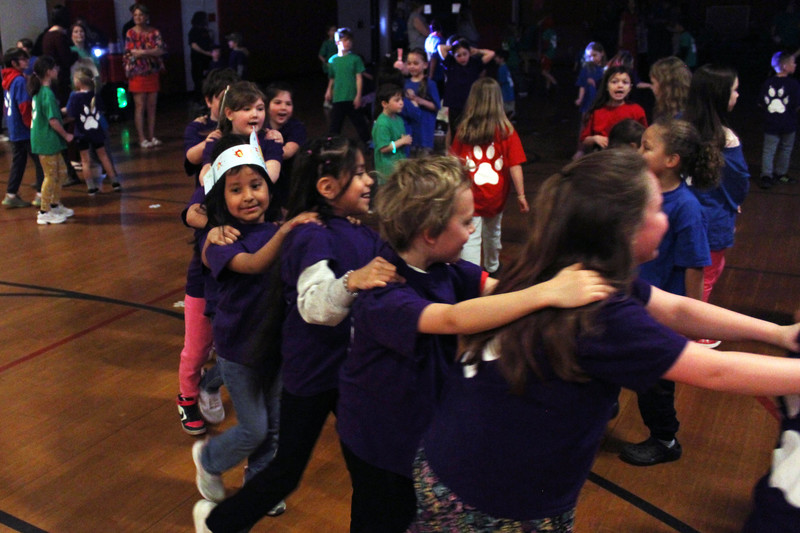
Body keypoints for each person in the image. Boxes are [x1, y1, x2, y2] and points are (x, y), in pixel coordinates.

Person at [407, 149, 800, 533]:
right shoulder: (602, 315)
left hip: (453, 461)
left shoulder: (566, 265)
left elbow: (676, 310)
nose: (665, 217)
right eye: (657, 209)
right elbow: (715, 370)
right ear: (625, 230)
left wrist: (776, 333)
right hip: (495, 497)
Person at [336, 155, 614, 532]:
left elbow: (499, 290)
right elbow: (451, 319)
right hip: (380, 443)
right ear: (430, 233)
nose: (471, 232)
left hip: (417, 428)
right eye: (466, 222)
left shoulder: (444, 268)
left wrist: (562, 286)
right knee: (383, 519)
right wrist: (549, 292)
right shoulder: (385, 293)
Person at [193, 136, 401, 533]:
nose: (369, 180)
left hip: (310, 360)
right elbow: (287, 285)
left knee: (355, 464)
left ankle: (241, 503)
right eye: (358, 173)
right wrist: (294, 230)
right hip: (271, 360)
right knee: (269, 446)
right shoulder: (251, 237)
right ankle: (216, 495)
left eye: (256, 186)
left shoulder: (316, 227)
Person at [191, 133, 320, 503]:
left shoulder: (276, 226)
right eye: (236, 189)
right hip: (238, 349)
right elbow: (252, 263)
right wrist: (288, 230)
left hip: (277, 345)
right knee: (254, 428)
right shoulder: (219, 240)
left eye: (256, 184)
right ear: (221, 197)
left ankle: (259, 486)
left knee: (274, 426)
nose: (248, 195)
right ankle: (210, 458)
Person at [619, 118, 721, 466]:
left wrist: (695, 321)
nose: (639, 151)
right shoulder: (641, 191)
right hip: (631, 300)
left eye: (648, 147)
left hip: (661, 312)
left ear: (672, 160)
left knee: (655, 382)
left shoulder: (686, 207)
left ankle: (665, 439)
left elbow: (694, 265)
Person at [177, 68, 240, 436]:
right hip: (204, 269)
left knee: (228, 343)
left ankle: (209, 384)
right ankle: (187, 396)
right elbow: (191, 209)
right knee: (197, 345)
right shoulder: (207, 141)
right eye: (225, 101)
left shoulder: (253, 148)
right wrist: (213, 143)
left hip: (233, 265)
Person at [684, 65, 750, 315]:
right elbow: (739, 182)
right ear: (720, 96)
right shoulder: (726, 139)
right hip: (712, 220)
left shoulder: (679, 127)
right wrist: (734, 202)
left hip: (679, 214)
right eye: (734, 90)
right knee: (708, 274)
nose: (738, 95)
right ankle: (695, 329)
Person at [451, 77, 528, 274]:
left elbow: (453, 162)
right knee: (493, 233)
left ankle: (472, 273)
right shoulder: (507, 131)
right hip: (496, 196)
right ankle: (493, 266)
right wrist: (521, 195)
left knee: (471, 235)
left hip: (470, 196)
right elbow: (515, 166)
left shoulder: (464, 130)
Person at [199, 81, 282, 188]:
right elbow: (205, 177)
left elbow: (271, 174)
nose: (255, 114)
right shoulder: (216, 141)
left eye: (260, 109)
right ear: (229, 113)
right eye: (247, 109)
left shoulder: (271, 139)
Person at [28, 55, 74, 225]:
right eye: (55, 68)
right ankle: (44, 211)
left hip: (49, 140)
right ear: (48, 72)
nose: (57, 71)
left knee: (61, 173)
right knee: (50, 176)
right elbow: (52, 120)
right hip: (46, 140)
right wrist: (66, 134)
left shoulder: (41, 90)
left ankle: (54, 205)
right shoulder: (45, 92)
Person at [65, 68, 121, 194]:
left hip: (82, 132)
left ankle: (91, 187)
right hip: (96, 130)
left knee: (85, 161)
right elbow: (101, 110)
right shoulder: (95, 95)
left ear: (78, 82)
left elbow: (72, 114)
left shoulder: (75, 97)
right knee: (104, 156)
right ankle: (115, 182)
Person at [2, 47, 43, 208]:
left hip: (14, 129)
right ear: (14, 63)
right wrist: (31, 125)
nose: (27, 61)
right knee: (40, 160)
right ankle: (41, 194)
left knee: (18, 162)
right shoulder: (19, 80)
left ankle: (11, 194)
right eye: (23, 59)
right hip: (25, 130)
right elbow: (24, 105)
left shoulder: (8, 80)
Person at [124, 3, 166, 148]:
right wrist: (149, 52)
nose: (138, 17)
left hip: (152, 71)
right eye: (135, 15)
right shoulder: (130, 33)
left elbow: (160, 50)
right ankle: (142, 138)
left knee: (152, 105)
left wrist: (142, 52)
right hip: (137, 73)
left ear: (146, 16)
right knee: (140, 105)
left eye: (140, 15)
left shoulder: (154, 32)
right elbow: (129, 52)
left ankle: (152, 135)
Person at [436, 38, 495, 139]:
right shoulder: (451, 63)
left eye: (465, 54)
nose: (462, 57)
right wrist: (453, 47)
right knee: (455, 130)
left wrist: (477, 51)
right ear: (454, 56)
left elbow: (491, 54)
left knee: (472, 128)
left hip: (471, 102)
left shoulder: (474, 63)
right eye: (458, 55)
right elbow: (440, 48)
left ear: (469, 53)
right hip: (455, 103)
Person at [580, 65, 648, 151]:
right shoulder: (598, 111)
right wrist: (595, 138)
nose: (620, 85)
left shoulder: (637, 110)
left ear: (630, 88)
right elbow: (584, 139)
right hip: (603, 156)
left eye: (625, 82)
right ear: (606, 86)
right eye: (614, 82)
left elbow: (645, 137)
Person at [759, 51, 800, 189]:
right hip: (788, 123)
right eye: (793, 62)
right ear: (784, 66)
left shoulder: (767, 82)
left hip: (771, 123)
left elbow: (760, 102)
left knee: (769, 149)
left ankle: (766, 175)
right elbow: (796, 104)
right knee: (786, 148)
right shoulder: (793, 84)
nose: (795, 64)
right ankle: (780, 173)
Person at [325, 28, 371, 146]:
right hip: (338, 97)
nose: (348, 43)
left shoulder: (355, 59)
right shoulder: (333, 60)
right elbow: (332, 78)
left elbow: (359, 78)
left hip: (351, 96)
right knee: (335, 124)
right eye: (345, 40)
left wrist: (358, 96)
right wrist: (328, 91)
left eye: (350, 40)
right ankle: (331, 145)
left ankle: (368, 142)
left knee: (359, 122)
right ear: (337, 42)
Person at [265, 82, 307, 209]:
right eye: (277, 102)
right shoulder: (260, 127)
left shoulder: (297, 128)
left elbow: (288, 152)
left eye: (288, 104)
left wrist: (267, 146)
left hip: (289, 180)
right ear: (267, 105)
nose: (283, 107)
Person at [401, 48, 439, 156]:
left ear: (425, 65)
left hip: (425, 130)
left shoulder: (430, 84)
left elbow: (436, 106)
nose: (412, 66)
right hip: (410, 129)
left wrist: (418, 100)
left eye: (416, 63)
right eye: (409, 63)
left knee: (423, 162)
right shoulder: (405, 83)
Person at [372, 83, 412, 183]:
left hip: (399, 164)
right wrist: (402, 141)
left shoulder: (399, 119)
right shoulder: (382, 124)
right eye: (397, 100)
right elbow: (384, 148)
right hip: (387, 169)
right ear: (385, 104)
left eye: (402, 99)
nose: (401, 103)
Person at [573, 41, 606, 159]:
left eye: (595, 55)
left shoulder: (604, 70)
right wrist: (580, 98)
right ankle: (580, 150)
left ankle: (598, 150)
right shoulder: (586, 69)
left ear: (601, 54)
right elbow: (582, 85)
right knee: (584, 125)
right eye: (590, 56)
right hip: (588, 102)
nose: (592, 58)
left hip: (600, 102)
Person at [649, 56, 692, 121]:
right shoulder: (662, 112)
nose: (652, 88)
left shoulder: (684, 121)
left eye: (653, 83)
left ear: (666, 86)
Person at [188, 12, 214, 98]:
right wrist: (205, 52)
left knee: (208, 79)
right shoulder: (193, 31)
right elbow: (193, 45)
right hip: (198, 59)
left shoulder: (205, 30)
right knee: (199, 80)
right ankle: (199, 99)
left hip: (207, 59)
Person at [318, 25, 338, 108]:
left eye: (335, 30)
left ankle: (333, 101)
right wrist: (326, 63)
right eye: (332, 30)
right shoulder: (326, 43)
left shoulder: (337, 42)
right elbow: (320, 55)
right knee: (331, 84)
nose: (334, 32)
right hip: (329, 66)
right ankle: (327, 101)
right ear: (328, 32)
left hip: (337, 66)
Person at [494, 49, 516, 118]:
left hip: (506, 94)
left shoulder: (501, 69)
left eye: (496, 57)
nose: (495, 59)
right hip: (510, 93)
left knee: (506, 110)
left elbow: (501, 81)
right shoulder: (505, 67)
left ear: (501, 59)